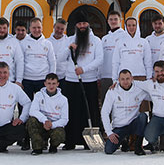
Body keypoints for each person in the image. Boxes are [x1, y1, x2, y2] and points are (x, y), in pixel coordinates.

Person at [64, 13, 103, 150]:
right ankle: (70, 141)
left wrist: (84, 69)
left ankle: (89, 142)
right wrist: (68, 48)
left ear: (88, 25)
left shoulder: (96, 41)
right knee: (72, 111)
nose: (82, 26)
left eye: (84, 24)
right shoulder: (69, 40)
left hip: (89, 80)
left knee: (89, 110)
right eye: (79, 24)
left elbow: (99, 59)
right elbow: (61, 58)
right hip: (71, 80)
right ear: (76, 26)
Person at [17, 17, 57, 150]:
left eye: (38, 27)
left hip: (42, 80)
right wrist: (19, 79)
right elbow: (20, 62)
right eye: (34, 27)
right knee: (25, 109)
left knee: (44, 110)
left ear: (42, 28)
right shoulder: (23, 43)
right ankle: (25, 138)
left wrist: (51, 80)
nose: (36, 30)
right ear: (30, 29)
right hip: (27, 80)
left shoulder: (47, 43)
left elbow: (52, 62)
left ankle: (43, 139)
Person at [101, 69, 149, 155]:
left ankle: (138, 146)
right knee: (108, 150)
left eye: (127, 78)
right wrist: (109, 132)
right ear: (118, 80)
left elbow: (154, 96)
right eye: (122, 79)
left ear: (132, 79)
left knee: (143, 116)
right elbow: (104, 112)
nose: (125, 81)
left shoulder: (139, 90)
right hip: (119, 127)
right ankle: (124, 140)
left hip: (133, 124)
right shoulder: (112, 91)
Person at [26, 73, 68, 155]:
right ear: (45, 84)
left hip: (54, 126)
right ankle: (37, 147)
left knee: (60, 133)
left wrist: (51, 125)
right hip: (41, 124)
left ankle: (53, 146)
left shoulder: (63, 99)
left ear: (58, 84)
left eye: (53, 83)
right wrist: (44, 120)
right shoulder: (38, 95)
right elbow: (32, 111)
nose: (51, 86)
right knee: (31, 121)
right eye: (49, 83)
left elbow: (64, 119)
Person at [99, 10, 127, 104]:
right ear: (108, 21)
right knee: (106, 103)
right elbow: (101, 57)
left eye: (115, 19)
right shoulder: (104, 38)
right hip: (105, 76)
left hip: (119, 76)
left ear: (120, 20)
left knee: (119, 103)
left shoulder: (124, 36)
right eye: (111, 19)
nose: (113, 21)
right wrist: (99, 75)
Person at [48, 18, 72, 86]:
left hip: (64, 77)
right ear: (53, 26)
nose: (59, 30)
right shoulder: (46, 42)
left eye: (62, 29)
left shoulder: (68, 42)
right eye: (57, 28)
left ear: (65, 30)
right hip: (49, 77)